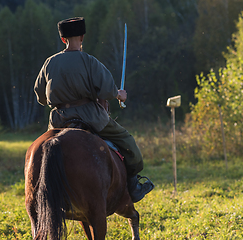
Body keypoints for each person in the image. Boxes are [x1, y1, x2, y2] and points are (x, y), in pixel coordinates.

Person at [34, 17, 154, 203]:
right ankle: (134, 186)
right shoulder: (90, 61)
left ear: (63, 40)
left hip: (58, 120)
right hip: (90, 117)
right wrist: (120, 95)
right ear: (82, 37)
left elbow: (40, 96)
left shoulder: (49, 63)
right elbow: (107, 90)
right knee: (128, 142)